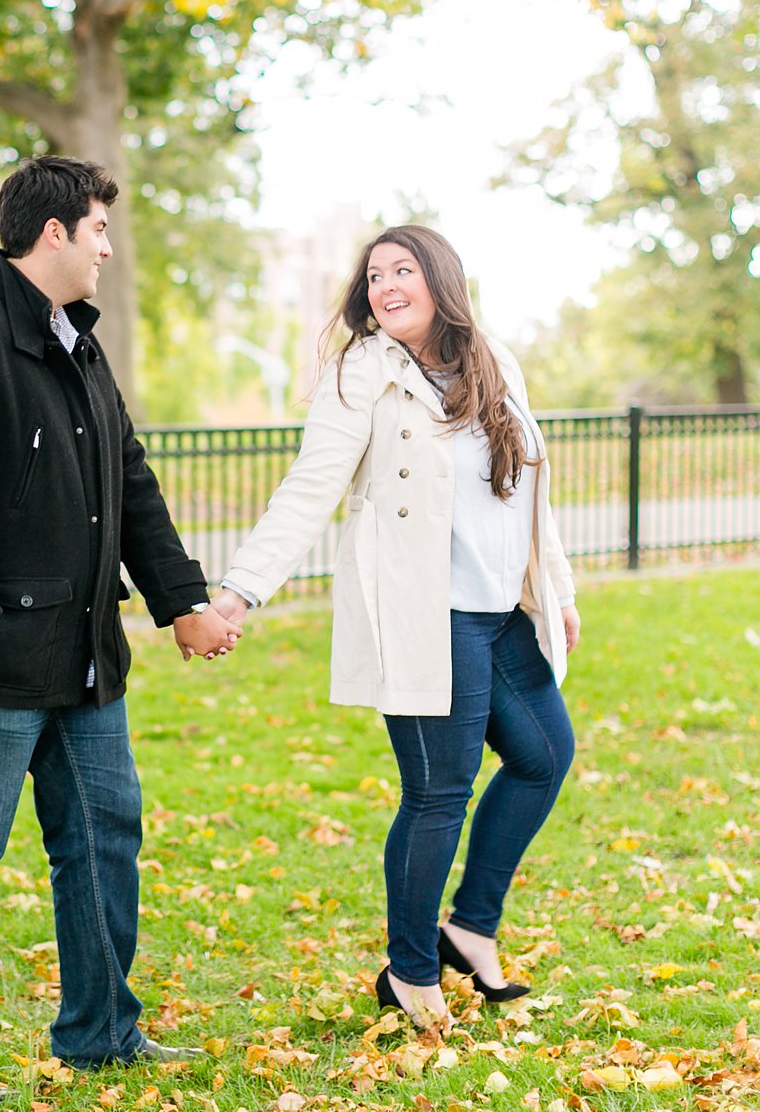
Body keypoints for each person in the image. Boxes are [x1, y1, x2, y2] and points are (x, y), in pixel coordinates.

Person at [0, 155, 242, 1104]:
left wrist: (183, 604)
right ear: (54, 235)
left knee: (103, 836)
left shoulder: (80, 344)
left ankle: (100, 1032)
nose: (108, 250)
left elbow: (132, 484)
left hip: (85, 657)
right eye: (100, 231)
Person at [210, 224, 581, 1029]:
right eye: (375, 275)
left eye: (402, 270)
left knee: (546, 755)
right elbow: (310, 489)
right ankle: (410, 972)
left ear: (441, 278)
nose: (385, 286)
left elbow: (527, 487)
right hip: (427, 612)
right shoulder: (360, 374)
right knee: (438, 792)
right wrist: (240, 591)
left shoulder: (493, 359)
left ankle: (470, 927)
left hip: (499, 611)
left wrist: (558, 588)